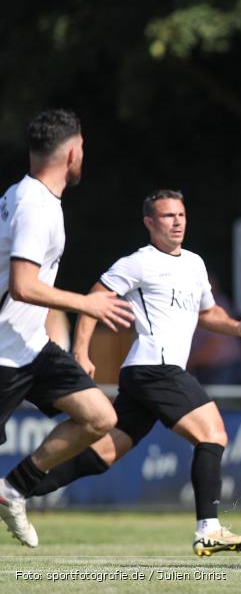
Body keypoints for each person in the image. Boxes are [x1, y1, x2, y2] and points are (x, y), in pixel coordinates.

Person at [26, 190, 241, 556]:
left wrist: (237, 328)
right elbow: (93, 300)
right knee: (213, 434)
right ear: (149, 223)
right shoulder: (139, 262)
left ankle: (14, 490)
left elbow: (206, 313)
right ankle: (209, 529)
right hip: (155, 368)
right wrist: (81, 352)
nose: (177, 221)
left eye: (181, 215)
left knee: (102, 454)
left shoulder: (195, 264)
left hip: (148, 375)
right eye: (168, 216)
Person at [0, 110, 134, 547]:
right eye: (83, 148)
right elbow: (22, 286)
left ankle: (14, 489)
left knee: (100, 417)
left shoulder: (31, 197)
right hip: (3, 354)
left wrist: (77, 350)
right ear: (72, 153)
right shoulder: (34, 206)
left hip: (31, 347)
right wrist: (87, 303)